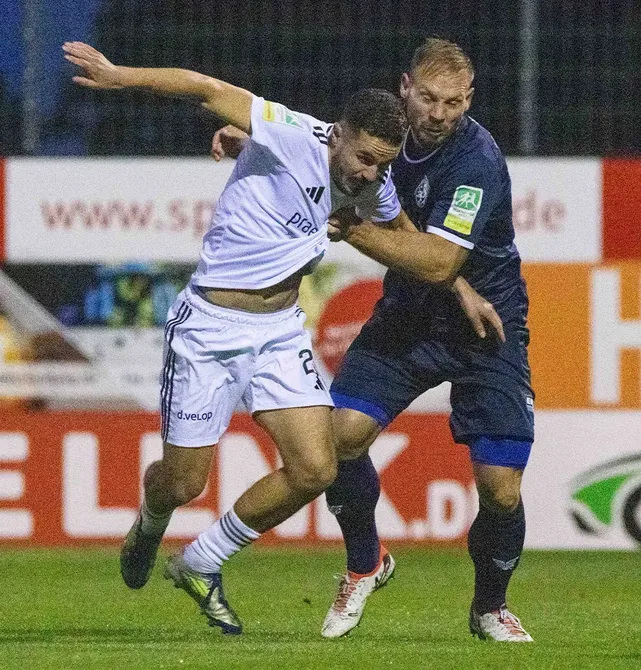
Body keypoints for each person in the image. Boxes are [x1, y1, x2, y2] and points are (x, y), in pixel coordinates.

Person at [63, 41, 408, 635]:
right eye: (363, 157)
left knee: (315, 467)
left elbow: (403, 231)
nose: (369, 173)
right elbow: (205, 87)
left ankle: (201, 560)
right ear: (338, 134)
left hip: (278, 331)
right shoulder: (294, 134)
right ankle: (151, 520)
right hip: (208, 330)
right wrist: (120, 76)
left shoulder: (373, 182)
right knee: (184, 483)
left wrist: (462, 288)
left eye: (381, 164)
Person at [304, 38, 534, 642]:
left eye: (454, 103)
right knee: (338, 440)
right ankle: (365, 563)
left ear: (470, 99)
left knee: (501, 489)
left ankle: (489, 607)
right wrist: (243, 141)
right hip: (410, 317)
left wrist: (350, 230)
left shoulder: (475, 160)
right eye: (430, 99)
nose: (440, 114)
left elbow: (436, 262)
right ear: (406, 87)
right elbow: (308, 139)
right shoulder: (380, 133)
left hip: (489, 326)